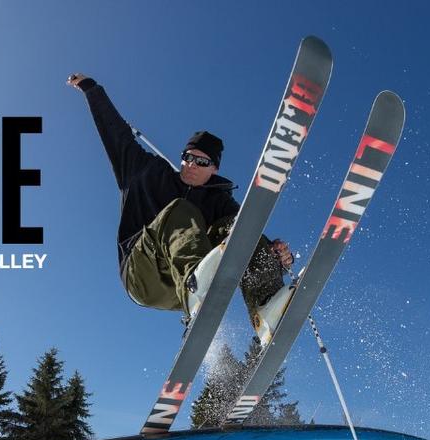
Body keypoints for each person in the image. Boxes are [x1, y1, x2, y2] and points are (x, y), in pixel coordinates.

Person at [67, 73, 293, 335]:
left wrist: (275, 258)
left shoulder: (221, 202)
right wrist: (91, 89)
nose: (191, 165)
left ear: (215, 168)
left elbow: (247, 239)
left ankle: (265, 308)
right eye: (188, 157)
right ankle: (196, 285)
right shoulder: (146, 172)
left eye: (201, 162)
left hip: (176, 290)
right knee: (180, 210)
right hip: (141, 273)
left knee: (240, 227)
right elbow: (116, 135)